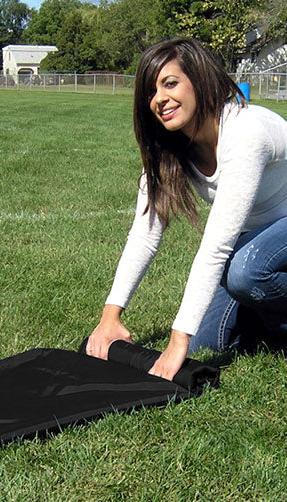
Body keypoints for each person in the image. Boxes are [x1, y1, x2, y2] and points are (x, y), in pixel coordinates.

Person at [86, 37, 287, 381]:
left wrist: (177, 339)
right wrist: (110, 318)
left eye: (170, 83)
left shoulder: (246, 132)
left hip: (266, 239)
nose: (159, 99)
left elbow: (216, 248)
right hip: (258, 237)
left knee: (245, 273)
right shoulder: (172, 148)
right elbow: (144, 236)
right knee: (205, 342)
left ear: (200, 80)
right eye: (151, 91)